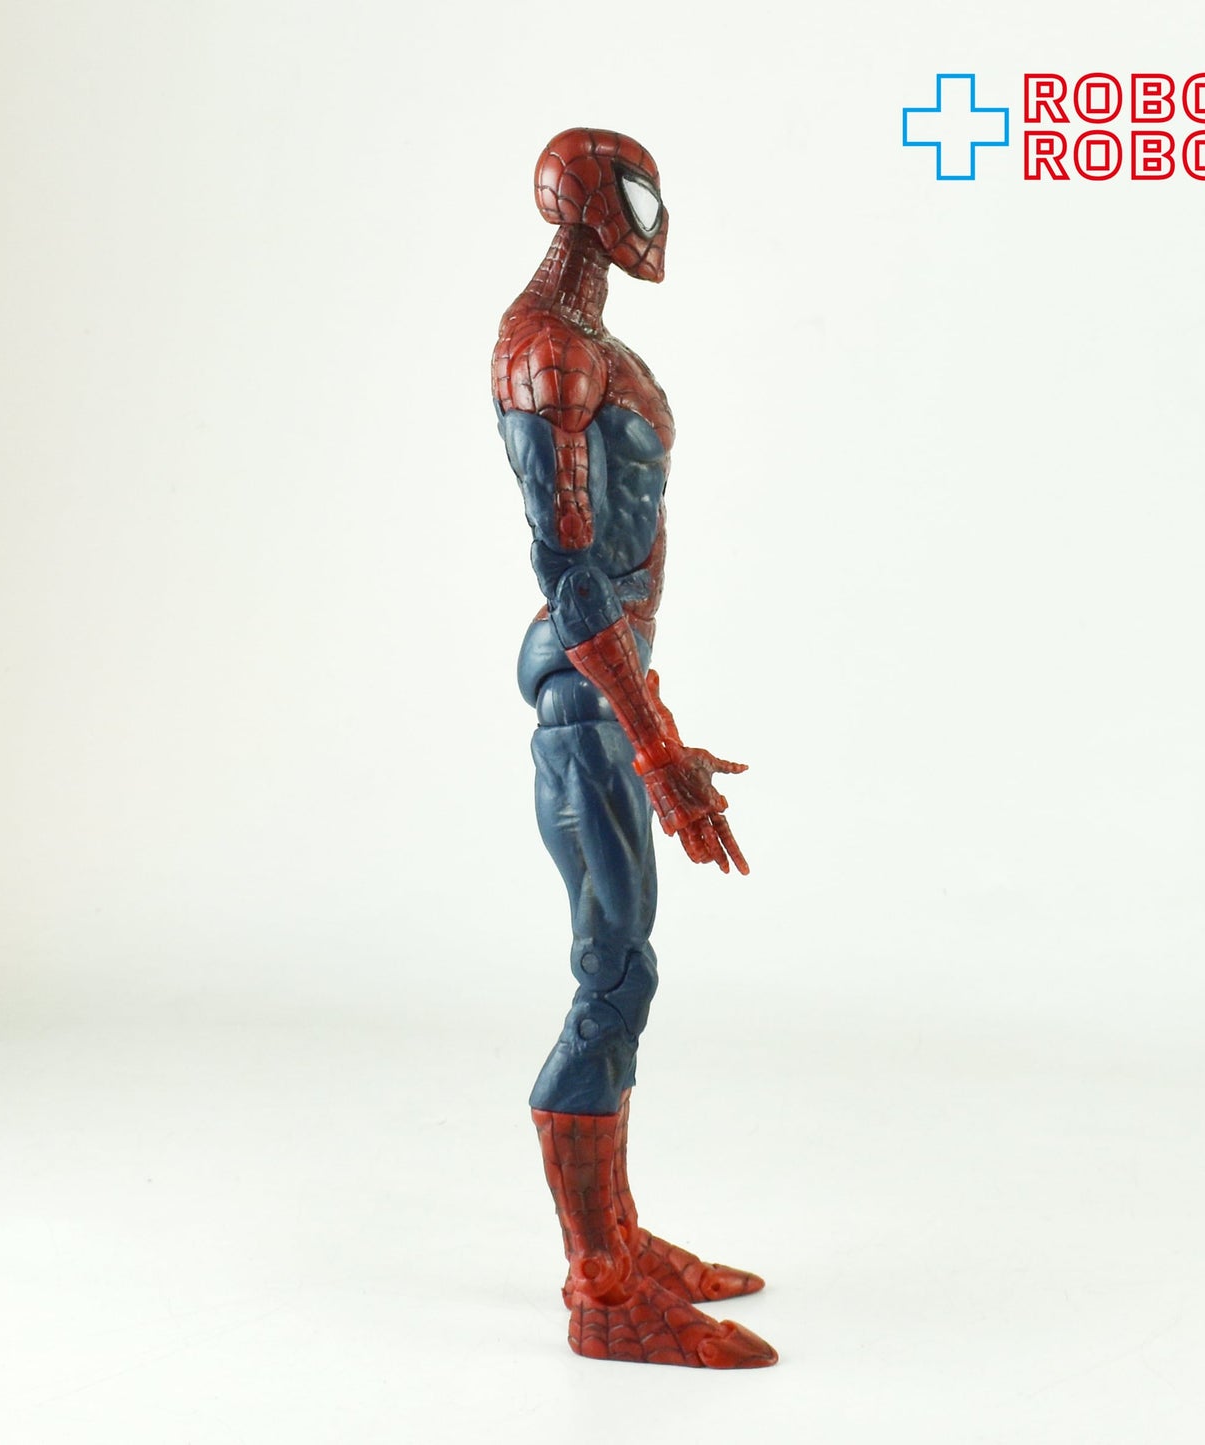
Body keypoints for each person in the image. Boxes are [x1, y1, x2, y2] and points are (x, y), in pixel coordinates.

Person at [491, 128, 776, 1368]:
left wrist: (650, 722)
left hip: (611, 690)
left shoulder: (583, 342)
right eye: (636, 196)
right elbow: (568, 575)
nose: (652, 222)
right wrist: (654, 750)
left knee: (623, 967)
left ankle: (617, 1234)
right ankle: (599, 1284)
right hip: (583, 701)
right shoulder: (546, 350)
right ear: (589, 203)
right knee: (612, 974)